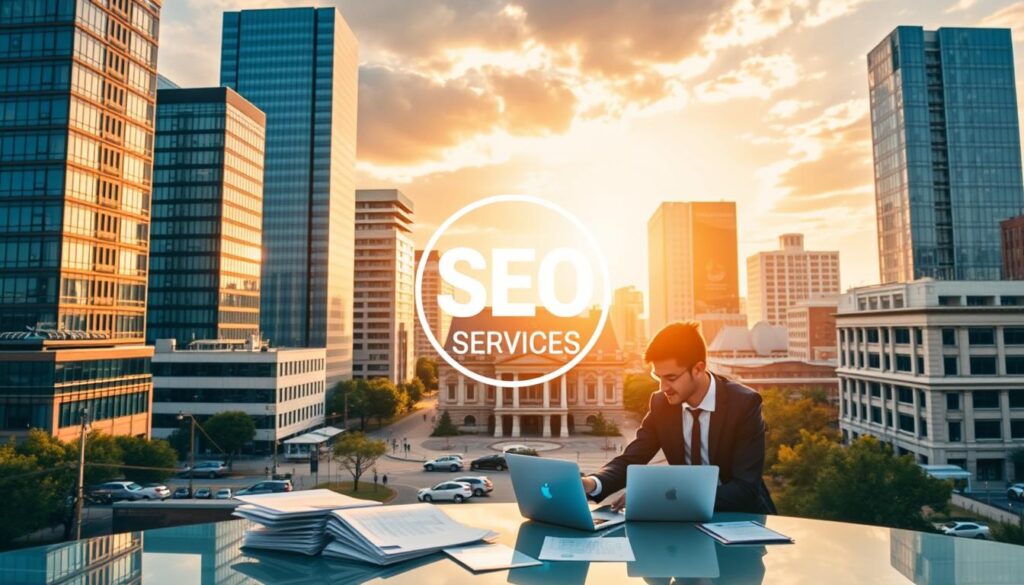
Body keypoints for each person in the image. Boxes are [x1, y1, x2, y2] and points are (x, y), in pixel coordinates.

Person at [581, 321, 776, 514]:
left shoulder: (744, 404)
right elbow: (632, 459)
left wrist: (660, 496)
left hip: (743, 518)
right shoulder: (661, 404)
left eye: (671, 378)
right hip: (686, 518)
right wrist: (592, 483)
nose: (663, 388)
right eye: (658, 378)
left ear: (698, 369)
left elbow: (745, 489)